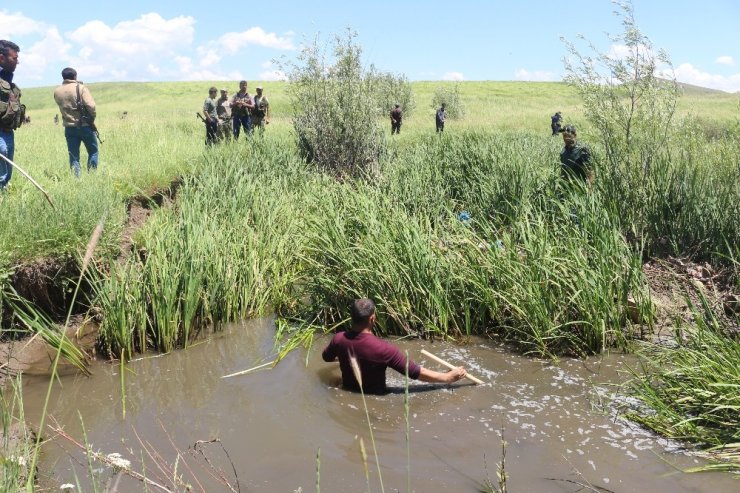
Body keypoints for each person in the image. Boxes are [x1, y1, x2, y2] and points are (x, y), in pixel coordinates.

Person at [322, 298, 467, 395]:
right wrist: (447, 377)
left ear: (352, 317)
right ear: (372, 318)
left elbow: (326, 357)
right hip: (377, 397)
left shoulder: (338, 339)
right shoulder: (383, 348)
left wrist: (344, 356)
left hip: (348, 391)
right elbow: (414, 372)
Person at [53, 67, 99, 177]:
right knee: (93, 151)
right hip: (84, 125)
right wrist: (91, 119)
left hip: (69, 127)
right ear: (75, 76)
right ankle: (92, 176)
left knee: (73, 156)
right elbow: (91, 106)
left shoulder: (57, 91)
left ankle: (76, 179)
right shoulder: (81, 88)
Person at [0, 40, 24, 191]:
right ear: (1, 58)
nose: (17, 62)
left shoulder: (7, 76)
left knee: (7, 173)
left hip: (7, 131)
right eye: (14, 58)